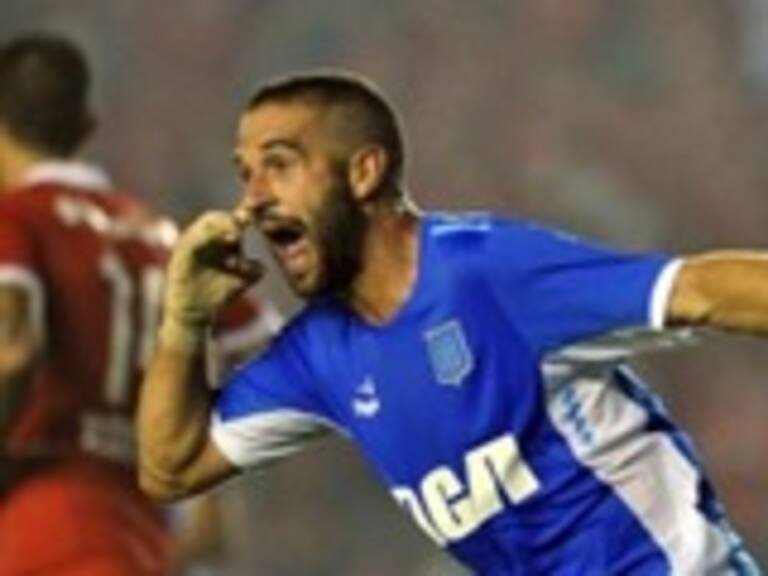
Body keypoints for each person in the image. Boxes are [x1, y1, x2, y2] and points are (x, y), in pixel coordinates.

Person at [137, 72, 764, 575]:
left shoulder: (486, 270)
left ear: (363, 171)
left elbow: (702, 290)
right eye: (244, 173)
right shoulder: (319, 354)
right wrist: (185, 319)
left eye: (278, 164)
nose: (252, 198)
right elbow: (171, 466)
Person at [0, 33, 280, 576]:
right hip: (138, 538)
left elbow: (13, 348)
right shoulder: (164, 241)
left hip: (38, 533)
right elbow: (268, 353)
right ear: (86, 129)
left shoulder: (17, 220)